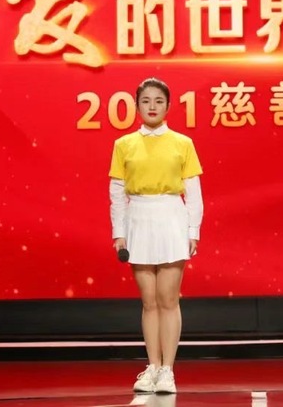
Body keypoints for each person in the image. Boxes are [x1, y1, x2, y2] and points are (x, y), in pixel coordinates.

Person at [109, 78, 203, 394]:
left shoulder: (182, 143)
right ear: (137, 106)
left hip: (171, 216)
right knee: (149, 302)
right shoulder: (124, 144)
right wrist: (119, 233)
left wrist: (193, 231)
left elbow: (193, 192)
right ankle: (152, 366)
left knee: (168, 299)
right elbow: (117, 193)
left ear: (168, 106)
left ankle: (167, 371)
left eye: (158, 101)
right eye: (146, 101)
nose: (152, 106)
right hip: (138, 218)